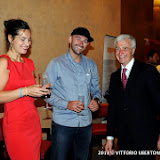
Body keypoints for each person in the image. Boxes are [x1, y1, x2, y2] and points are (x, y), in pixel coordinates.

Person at [45, 27, 101, 160]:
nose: (81, 43)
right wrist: (67, 104)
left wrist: (96, 101)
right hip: (63, 123)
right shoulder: (55, 64)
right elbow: (45, 94)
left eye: (85, 41)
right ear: (70, 39)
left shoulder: (91, 65)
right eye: (78, 38)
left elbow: (96, 90)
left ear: (88, 44)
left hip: (85, 124)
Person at [0, 19, 51, 160]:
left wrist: (39, 91)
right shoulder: (4, 62)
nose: (27, 44)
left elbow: (28, 96)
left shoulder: (29, 63)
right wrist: (26, 90)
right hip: (16, 126)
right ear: (10, 38)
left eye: (29, 40)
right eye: (22, 39)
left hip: (33, 122)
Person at [105, 34, 160, 160]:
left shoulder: (148, 71)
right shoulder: (114, 77)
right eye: (117, 49)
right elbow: (112, 109)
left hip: (146, 137)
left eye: (125, 48)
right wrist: (110, 138)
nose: (120, 52)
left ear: (133, 50)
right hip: (124, 139)